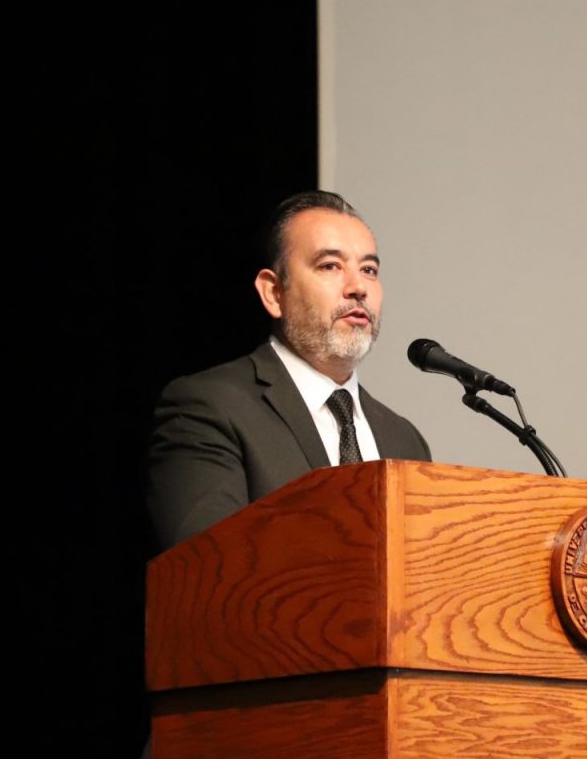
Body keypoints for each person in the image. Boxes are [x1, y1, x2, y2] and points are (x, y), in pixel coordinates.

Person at [145, 190, 431, 549]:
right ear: (273, 292)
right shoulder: (210, 408)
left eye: (369, 270)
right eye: (330, 266)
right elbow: (208, 560)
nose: (358, 287)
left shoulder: (405, 440)